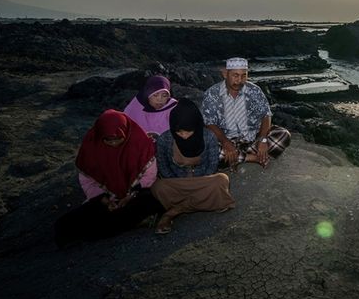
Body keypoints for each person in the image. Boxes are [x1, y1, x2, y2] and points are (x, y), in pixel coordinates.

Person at [54, 110, 163, 248]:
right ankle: (129, 223)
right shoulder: (91, 149)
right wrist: (104, 200)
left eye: (118, 139)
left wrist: (130, 196)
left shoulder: (140, 144)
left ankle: (98, 231)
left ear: (126, 133)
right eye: (108, 140)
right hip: (108, 198)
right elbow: (88, 181)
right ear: (100, 137)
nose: (114, 143)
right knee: (64, 224)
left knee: (152, 200)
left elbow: (149, 175)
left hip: (136, 195)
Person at [151, 99, 235, 234]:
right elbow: (163, 167)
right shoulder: (164, 140)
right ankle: (202, 202)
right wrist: (180, 183)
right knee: (158, 187)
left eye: (188, 131)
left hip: (202, 181)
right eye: (179, 132)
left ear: (196, 125)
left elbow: (212, 166)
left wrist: (197, 183)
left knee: (221, 179)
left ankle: (175, 211)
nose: (184, 136)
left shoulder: (208, 137)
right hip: (178, 183)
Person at [202, 57, 291, 169]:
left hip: (253, 139)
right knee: (208, 150)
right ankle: (254, 158)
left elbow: (266, 115)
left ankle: (238, 158)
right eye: (235, 75)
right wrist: (225, 142)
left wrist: (262, 140)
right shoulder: (212, 94)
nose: (239, 81)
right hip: (227, 141)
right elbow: (209, 123)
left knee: (283, 135)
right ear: (225, 74)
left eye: (244, 75)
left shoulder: (254, 90)